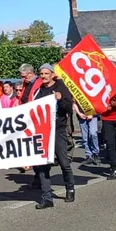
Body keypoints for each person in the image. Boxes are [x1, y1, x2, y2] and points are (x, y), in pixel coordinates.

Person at [32, 64, 76, 209]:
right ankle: (47, 197)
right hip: (43, 131)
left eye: (46, 73)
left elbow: (69, 108)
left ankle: (70, 188)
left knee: (64, 162)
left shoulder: (60, 87)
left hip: (58, 130)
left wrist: (60, 99)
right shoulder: (39, 91)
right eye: (41, 73)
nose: (43, 76)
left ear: (52, 74)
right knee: (42, 165)